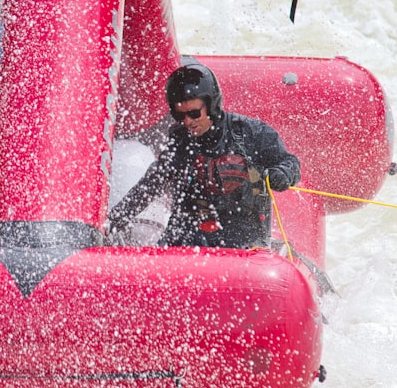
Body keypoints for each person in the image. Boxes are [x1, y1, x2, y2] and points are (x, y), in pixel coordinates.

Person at [106, 63, 301, 249]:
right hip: (187, 236)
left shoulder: (251, 133)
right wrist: (113, 221)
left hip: (243, 240)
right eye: (180, 115)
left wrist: (283, 173)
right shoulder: (180, 142)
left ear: (212, 105)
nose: (187, 122)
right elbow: (152, 184)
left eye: (193, 113)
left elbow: (290, 163)